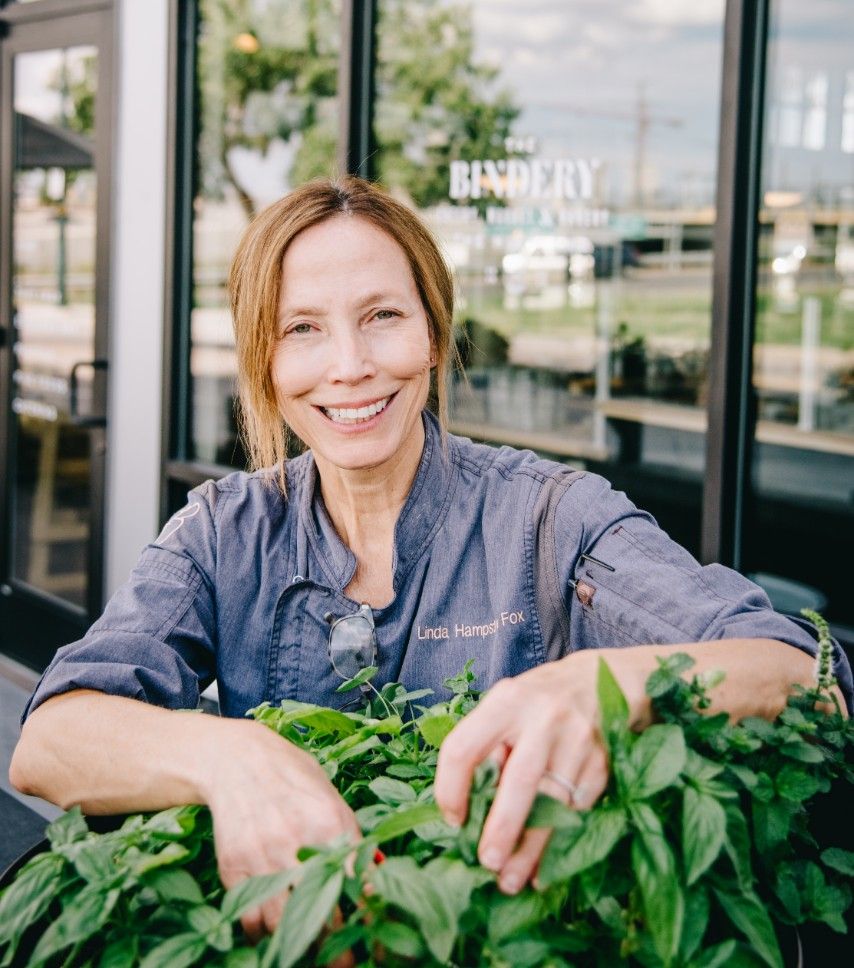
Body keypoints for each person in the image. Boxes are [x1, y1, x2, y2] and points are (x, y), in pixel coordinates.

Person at [11, 177, 852, 940]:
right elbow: (50, 740)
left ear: (432, 329)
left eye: (383, 315)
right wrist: (233, 758)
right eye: (302, 328)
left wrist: (602, 690)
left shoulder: (548, 515)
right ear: (264, 365)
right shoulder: (222, 531)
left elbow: (808, 680)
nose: (351, 367)